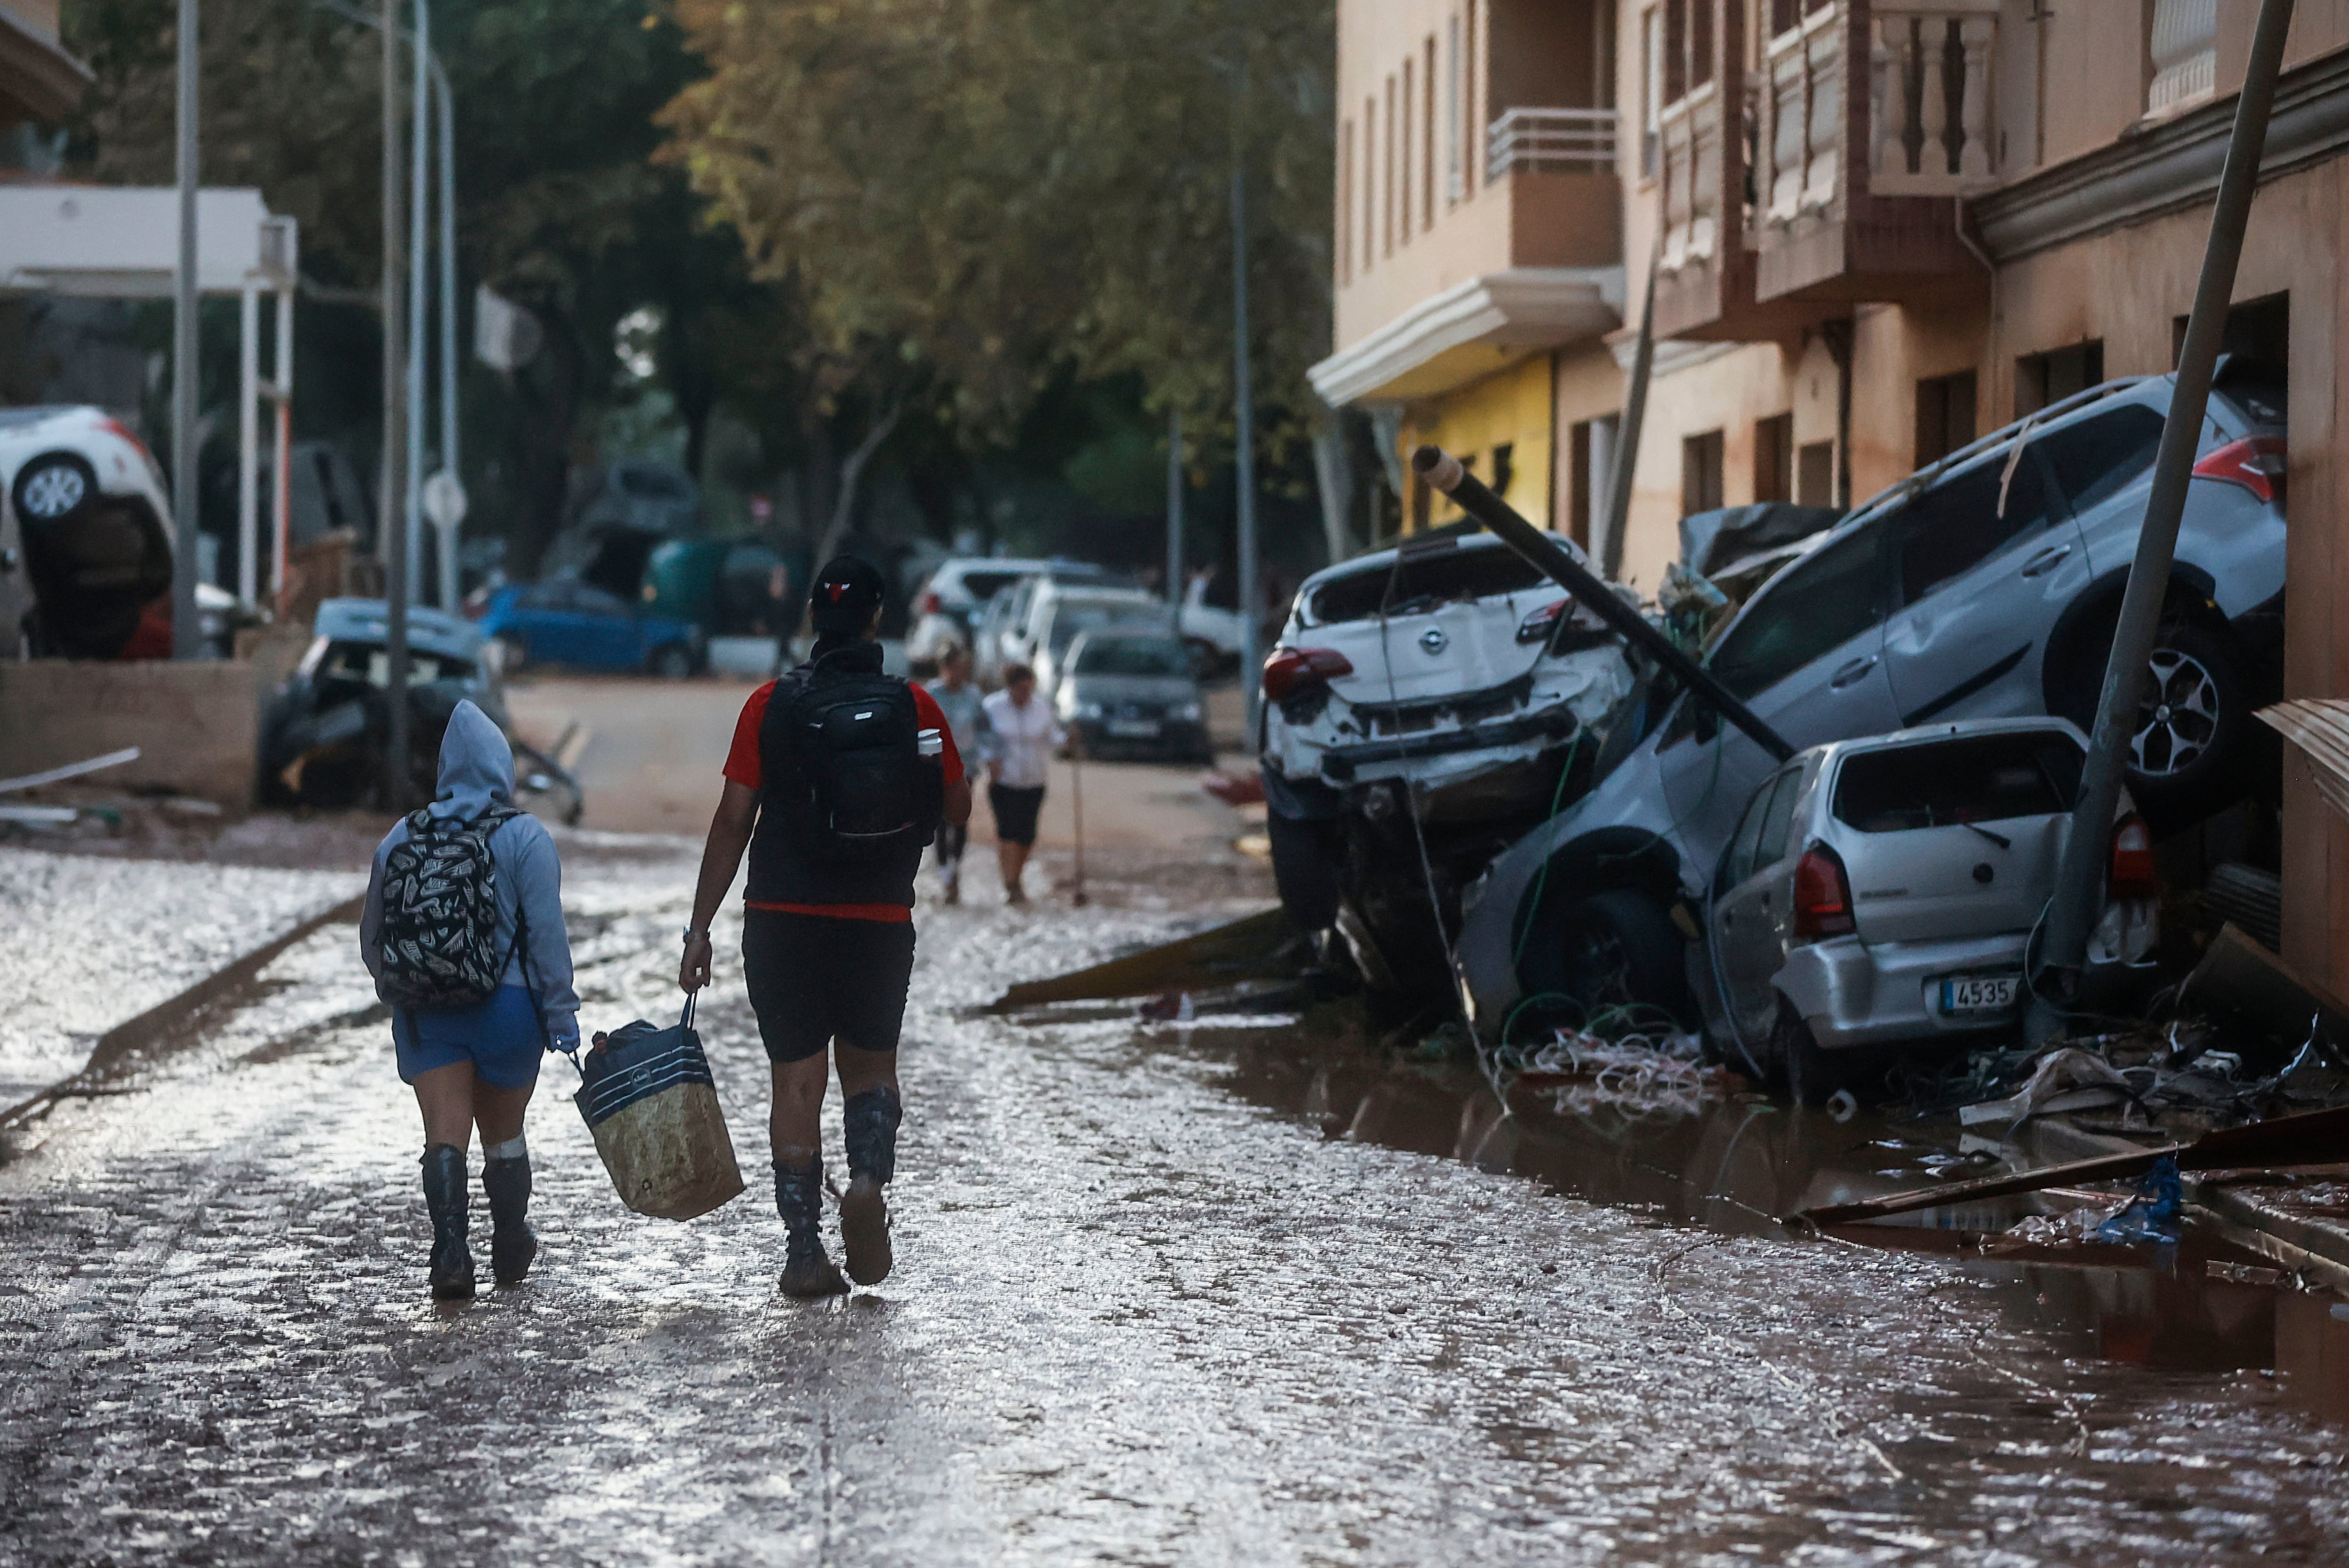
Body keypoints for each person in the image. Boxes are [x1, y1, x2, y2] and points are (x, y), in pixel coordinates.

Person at [680, 556, 973, 1298]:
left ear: (813, 619)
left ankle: (805, 1250)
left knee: (795, 1081)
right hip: (878, 918)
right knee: (870, 1072)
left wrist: (699, 928)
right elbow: (960, 809)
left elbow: (731, 822)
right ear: (878, 621)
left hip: (781, 919)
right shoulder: (917, 708)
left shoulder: (768, 705)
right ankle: (869, 1178)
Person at [360, 699, 579, 1300]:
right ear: (501, 769)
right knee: (503, 1133)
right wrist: (559, 1016)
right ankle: (509, 1238)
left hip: (428, 1014)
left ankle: (451, 1251)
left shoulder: (403, 835)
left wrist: (398, 990)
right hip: (508, 1012)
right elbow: (547, 941)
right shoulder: (525, 837)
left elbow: (373, 934)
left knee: (444, 1133)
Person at [981, 661, 1062, 905]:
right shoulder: (992, 707)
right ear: (1010, 688)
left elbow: (1053, 736)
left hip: (1034, 781)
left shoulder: (1042, 708)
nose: (1026, 694)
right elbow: (982, 739)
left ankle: (1015, 876)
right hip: (1004, 781)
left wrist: (1069, 741)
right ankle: (1011, 884)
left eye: (1029, 689)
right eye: (1021, 689)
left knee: (1027, 837)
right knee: (1007, 833)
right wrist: (990, 761)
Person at [924, 644, 988, 904]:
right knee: (940, 821)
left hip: (966, 767)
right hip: (936, 767)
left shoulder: (974, 697)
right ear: (944, 667)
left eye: (964, 669)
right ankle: (944, 875)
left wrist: (989, 758)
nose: (960, 673)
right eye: (955, 668)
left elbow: (985, 730)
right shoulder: (931, 694)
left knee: (960, 818)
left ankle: (956, 868)